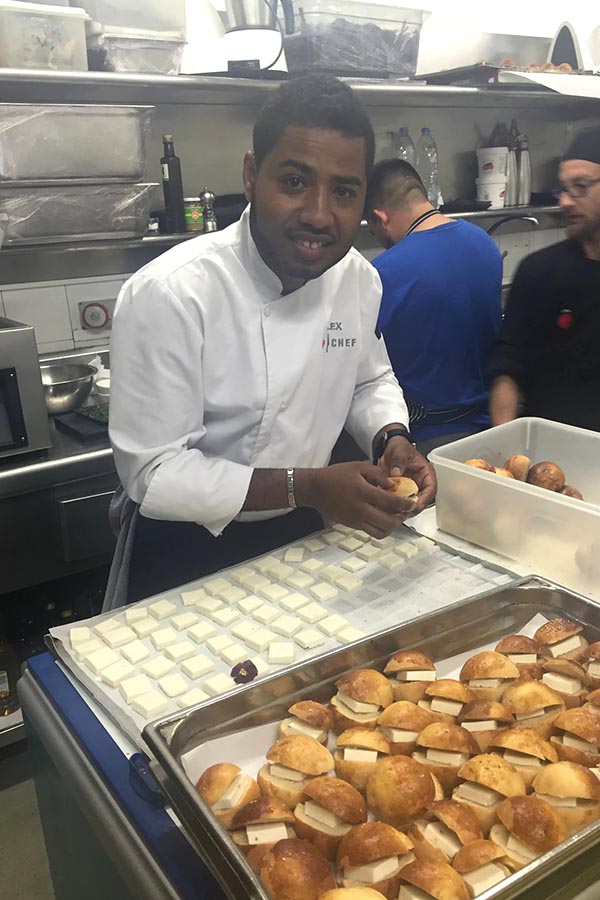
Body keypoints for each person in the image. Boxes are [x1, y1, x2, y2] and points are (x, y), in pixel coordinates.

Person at [105, 74, 436, 608]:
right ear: (252, 175)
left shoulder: (356, 278)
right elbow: (154, 474)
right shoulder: (170, 293)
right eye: (295, 181)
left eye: (344, 192)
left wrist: (391, 439)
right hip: (188, 550)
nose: (319, 214)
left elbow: (368, 376)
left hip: (302, 536)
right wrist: (308, 486)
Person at [364, 159, 503, 456]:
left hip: (421, 442)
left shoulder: (382, 272)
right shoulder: (485, 243)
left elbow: (366, 371)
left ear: (380, 218)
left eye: (375, 231)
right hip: (489, 428)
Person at [489, 126, 600, 431]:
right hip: (548, 460)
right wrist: (505, 442)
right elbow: (507, 369)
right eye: (563, 188)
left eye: (581, 187)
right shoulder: (539, 273)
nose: (565, 201)